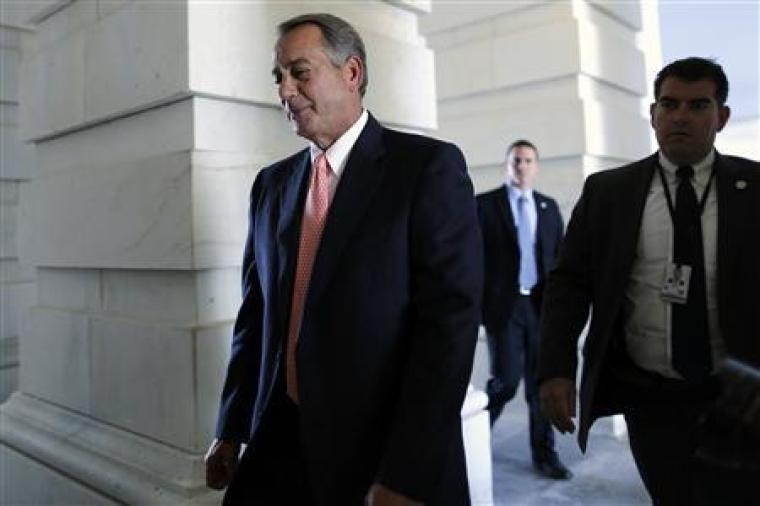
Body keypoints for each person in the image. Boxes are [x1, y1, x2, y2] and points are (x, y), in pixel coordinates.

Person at [204, 13, 483, 506]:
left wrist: (407, 472)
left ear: (351, 73)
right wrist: (230, 428)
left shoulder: (426, 169)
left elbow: (447, 331)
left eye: (300, 72)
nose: (285, 91)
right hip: (279, 438)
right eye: (278, 77)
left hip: (380, 454)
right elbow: (256, 315)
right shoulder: (272, 185)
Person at [537, 56, 760, 505]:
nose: (680, 116)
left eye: (698, 105)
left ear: (722, 117)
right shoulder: (608, 192)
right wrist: (556, 368)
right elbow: (569, 282)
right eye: (669, 104)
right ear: (653, 113)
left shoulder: (754, 187)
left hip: (737, 395)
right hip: (650, 397)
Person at [477, 140, 570, 479]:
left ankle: (544, 455)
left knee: (539, 386)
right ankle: (470, 437)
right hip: (505, 307)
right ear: (507, 164)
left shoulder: (547, 207)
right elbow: (473, 261)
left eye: (528, 161)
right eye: (516, 160)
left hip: (540, 306)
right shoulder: (484, 206)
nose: (522, 166)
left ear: (536, 166)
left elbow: (560, 259)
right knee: (506, 381)